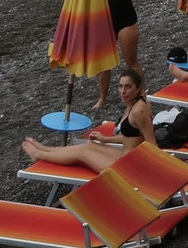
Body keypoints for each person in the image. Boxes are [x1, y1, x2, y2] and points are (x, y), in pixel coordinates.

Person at [22, 66, 155, 170]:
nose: (123, 91)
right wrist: (105, 139)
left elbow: (151, 143)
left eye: (128, 87)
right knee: (89, 145)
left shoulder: (139, 110)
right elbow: (133, 137)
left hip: (129, 168)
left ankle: (39, 154)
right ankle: (46, 148)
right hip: (125, 157)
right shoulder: (134, 102)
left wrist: (152, 174)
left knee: (82, 153)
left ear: (139, 88)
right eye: (120, 86)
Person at [92, 0, 140, 110]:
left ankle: (140, 96)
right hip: (108, 23)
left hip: (126, 23)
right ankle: (102, 98)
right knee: (104, 63)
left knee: (131, 63)